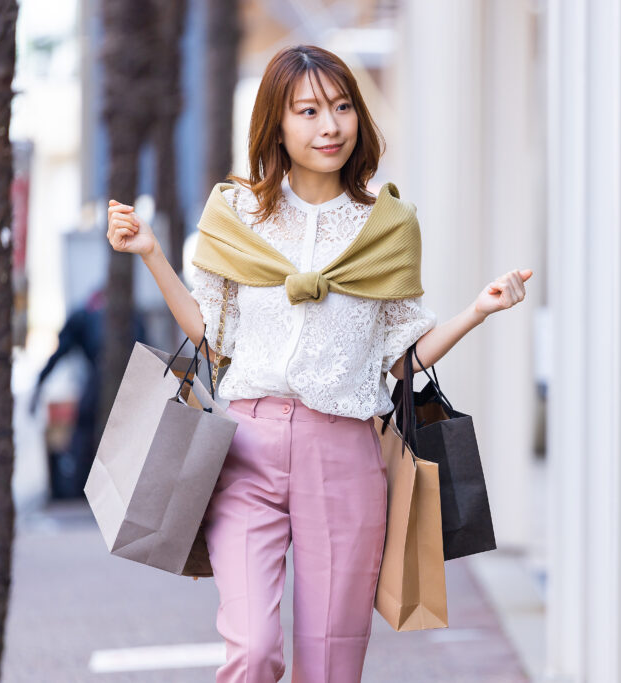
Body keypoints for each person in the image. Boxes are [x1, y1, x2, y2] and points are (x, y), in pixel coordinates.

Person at [105, 44, 531, 683]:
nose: (329, 125)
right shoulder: (236, 216)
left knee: (331, 662)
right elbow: (214, 336)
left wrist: (476, 311)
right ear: (276, 121)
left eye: (340, 107)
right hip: (247, 449)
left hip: (343, 455)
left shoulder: (385, 228)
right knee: (251, 650)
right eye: (307, 110)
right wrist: (151, 254)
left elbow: (399, 359)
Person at [30, 288, 146, 498]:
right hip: (130, 377)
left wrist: (39, 384)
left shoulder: (85, 315)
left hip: (114, 376)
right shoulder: (125, 315)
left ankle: (81, 486)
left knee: (86, 425)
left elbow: (58, 353)